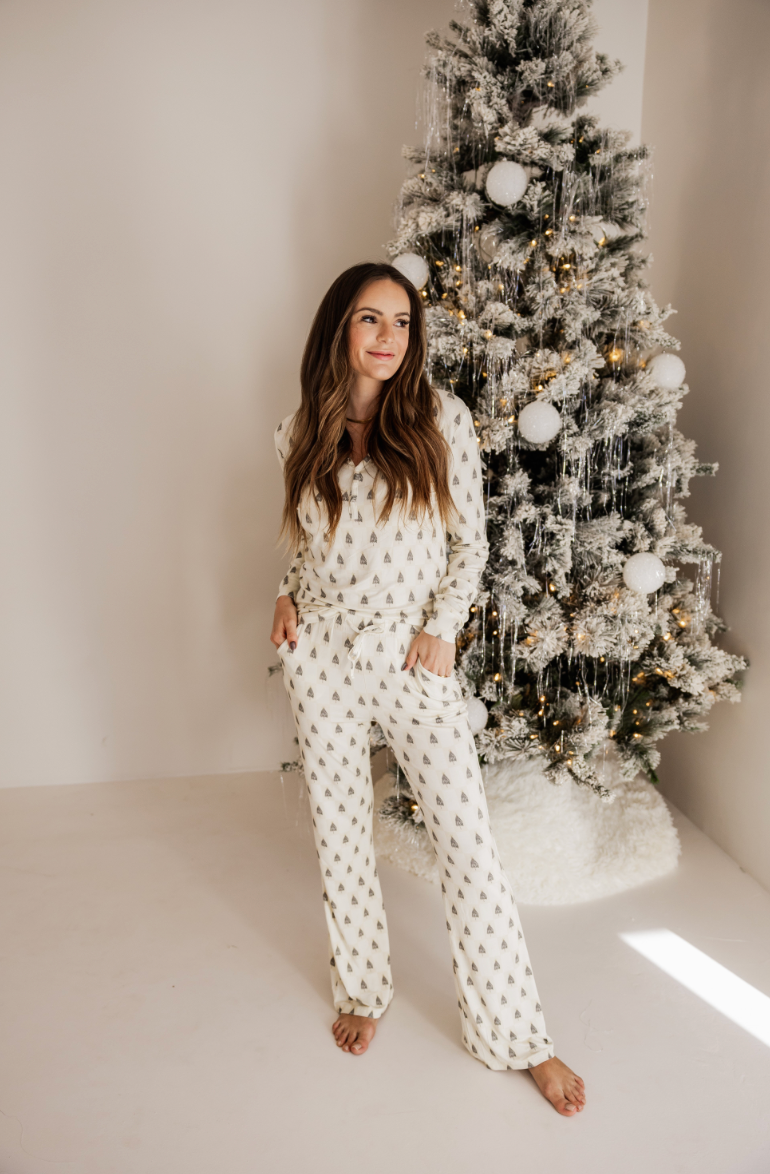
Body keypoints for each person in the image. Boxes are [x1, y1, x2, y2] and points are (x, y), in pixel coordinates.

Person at [270, 261, 585, 1117]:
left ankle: (519, 1036)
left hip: (414, 660)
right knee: (340, 831)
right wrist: (287, 596)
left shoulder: (440, 420)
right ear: (340, 329)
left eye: (401, 323)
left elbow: (469, 546)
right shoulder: (300, 429)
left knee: (467, 845)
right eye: (370, 320)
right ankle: (362, 991)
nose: (386, 338)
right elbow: (303, 542)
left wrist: (440, 631)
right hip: (324, 656)